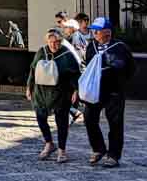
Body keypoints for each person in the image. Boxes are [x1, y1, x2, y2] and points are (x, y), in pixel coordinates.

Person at [82, 17, 134, 168]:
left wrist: (119, 82)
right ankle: (98, 149)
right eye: (94, 31)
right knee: (89, 118)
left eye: (96, 31)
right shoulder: (91, 46)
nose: (94, 33)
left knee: (115, 123)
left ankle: (113, 155)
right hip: (95, 91)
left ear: (106, 33)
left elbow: (131, 68)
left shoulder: (120, 47)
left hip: (114, 92)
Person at [25, 28, 81, 163]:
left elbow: (76, 74)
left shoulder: (67, 55)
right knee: (40, 116)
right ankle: (49, 143)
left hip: (61, 92)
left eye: (56, 42)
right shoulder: (41, 52)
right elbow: (33, 70)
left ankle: (62, 150)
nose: (53, 45)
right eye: (50, 42)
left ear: (61, 41)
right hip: (41, 92)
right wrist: (29, 87)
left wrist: (76, 90)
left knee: (61, 121)